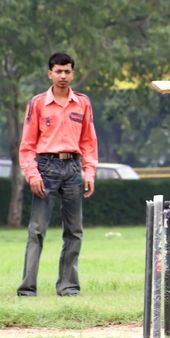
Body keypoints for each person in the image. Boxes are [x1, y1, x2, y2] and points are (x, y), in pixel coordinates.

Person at [17, 52, 98, 297]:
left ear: (73, 73)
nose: (63, 76)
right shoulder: (38, 103)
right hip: (45, 168)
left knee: (74, 230)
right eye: (58, 71)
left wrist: (89, 171)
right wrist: (32, 174)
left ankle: (68, 286)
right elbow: (27, 144)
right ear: (49, 73)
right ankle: (28, 288)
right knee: (37, 230)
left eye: (67, 71)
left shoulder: (82, 103)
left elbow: (89, 142)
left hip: (73, 168)